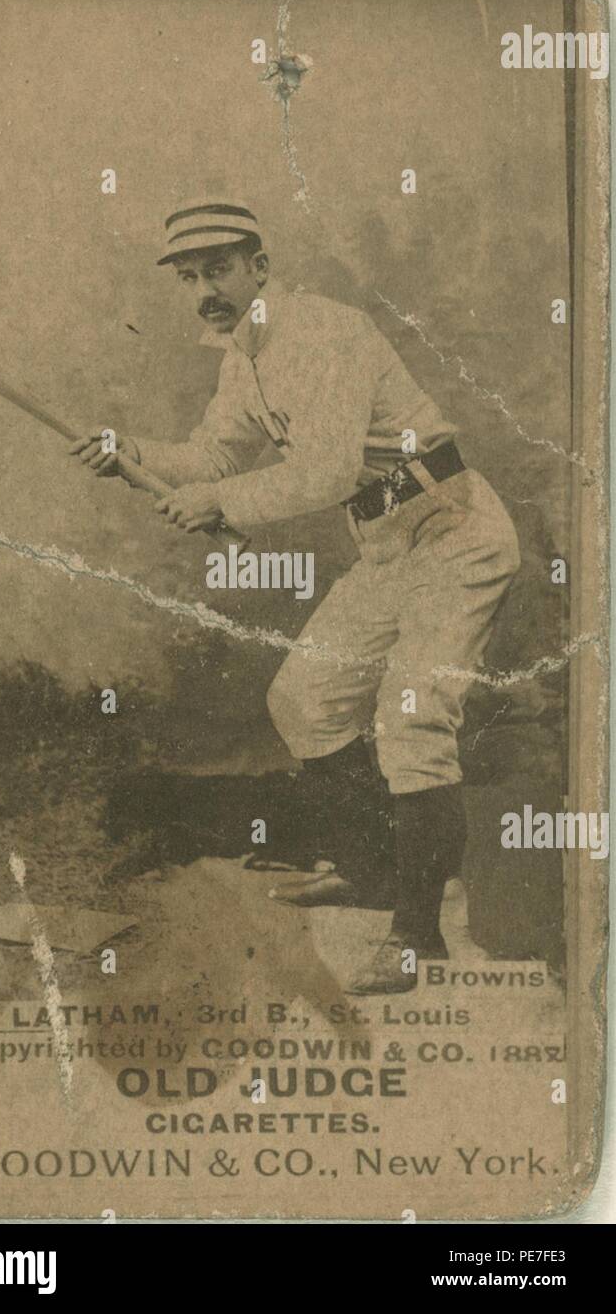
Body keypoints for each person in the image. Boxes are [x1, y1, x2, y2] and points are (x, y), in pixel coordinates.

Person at [70, 199, 520, 994]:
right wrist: (131, 450)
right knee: (306, 698)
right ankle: (373, 871)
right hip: (384, 547)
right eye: (189, 276)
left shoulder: (320, 333)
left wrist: (220, 504)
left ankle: (417, 939)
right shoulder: (242, 358)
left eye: (218, 269)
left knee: (411, 714)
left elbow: (325, 474)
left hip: (453, 533)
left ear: (259, 267)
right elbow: (212, 451)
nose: (204, 288)